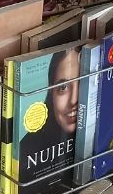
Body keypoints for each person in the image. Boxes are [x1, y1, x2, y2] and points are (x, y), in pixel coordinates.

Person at [18, 48, 80, 185]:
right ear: (51, 92)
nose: (74, 100)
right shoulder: (24, 152)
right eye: (63, 87)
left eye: (82, 83)